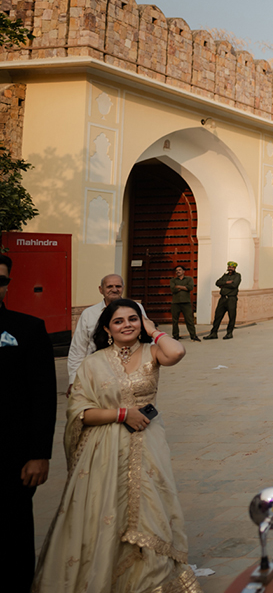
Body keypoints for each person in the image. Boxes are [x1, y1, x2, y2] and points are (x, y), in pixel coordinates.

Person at [33, 298, 195, 593]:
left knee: (150, 511)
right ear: (107, 328)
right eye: (118, 321)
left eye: (132, 319)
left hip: (147, 446)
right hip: (102, 451)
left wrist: (151, 328)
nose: (127, 325)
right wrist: (123, 414)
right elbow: (78, 412)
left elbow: (178, 351)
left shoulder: (152, 352)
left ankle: (148, 582)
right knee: (102, 511)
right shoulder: (93, 363)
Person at [0, 253, 57, 592]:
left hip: (12, 460)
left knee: (12, 539)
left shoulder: (28, 330)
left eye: (2, 280)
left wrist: (39, 454)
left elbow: (43, 398)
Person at [67, 273, 146, 394]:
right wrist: (74, 380)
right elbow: (78, 348)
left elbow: (147, 337)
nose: (114, 290)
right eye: (109, 286)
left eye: (118, 286)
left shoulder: (136, 308)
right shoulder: (89, 314)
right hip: (98, 374)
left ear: (123, 288)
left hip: (132, 370)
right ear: (101, 289)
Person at [204, 261, 241, 340]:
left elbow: (234, 285)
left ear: (234, 268)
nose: (230, 268)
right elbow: (217, 283)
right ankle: (213, 333)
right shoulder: (225, 276)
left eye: (232, 267)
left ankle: (229, 333)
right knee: (217, 316)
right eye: (229, 267)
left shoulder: (237, 276)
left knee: (232, 316)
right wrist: (227, 282)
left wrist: (223, 285)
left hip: (231, 299)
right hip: (223, 298)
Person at [168, 265, 199, 341]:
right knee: (175, 320)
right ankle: (175, 336)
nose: (178, 271)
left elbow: (190, 288)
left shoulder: (189, 279)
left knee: (189, 320)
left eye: (179, 270)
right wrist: (184, 287)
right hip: (175, 303)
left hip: (186, 303)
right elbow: (173, 289)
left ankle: (193, 336)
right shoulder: (173, 280)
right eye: (176, 270)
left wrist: (178, 286)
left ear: (183, 271)